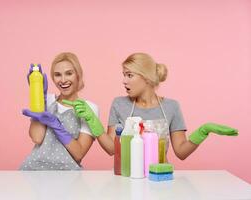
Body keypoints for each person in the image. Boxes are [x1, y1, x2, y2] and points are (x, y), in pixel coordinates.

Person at [64, 52, 238, 159]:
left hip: (161, 178)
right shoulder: (119, 104)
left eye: (129, 75)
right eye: (124, 75)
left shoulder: (171, 106)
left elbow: (181, 152)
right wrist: (93, 122)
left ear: (146, 77)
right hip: (127, 178)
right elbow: (112, 150)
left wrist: (203, 131)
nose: (124, 81)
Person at [20, 52, 103, 170]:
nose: (63, 80)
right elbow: (37, 138)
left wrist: (57, 126)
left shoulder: (88, 108)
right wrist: (39, 97)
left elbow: (79, 154)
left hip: (68, 173)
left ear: (78, 75)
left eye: (69, 73)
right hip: (34, 168)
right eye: (58, 75)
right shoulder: (47, 100)